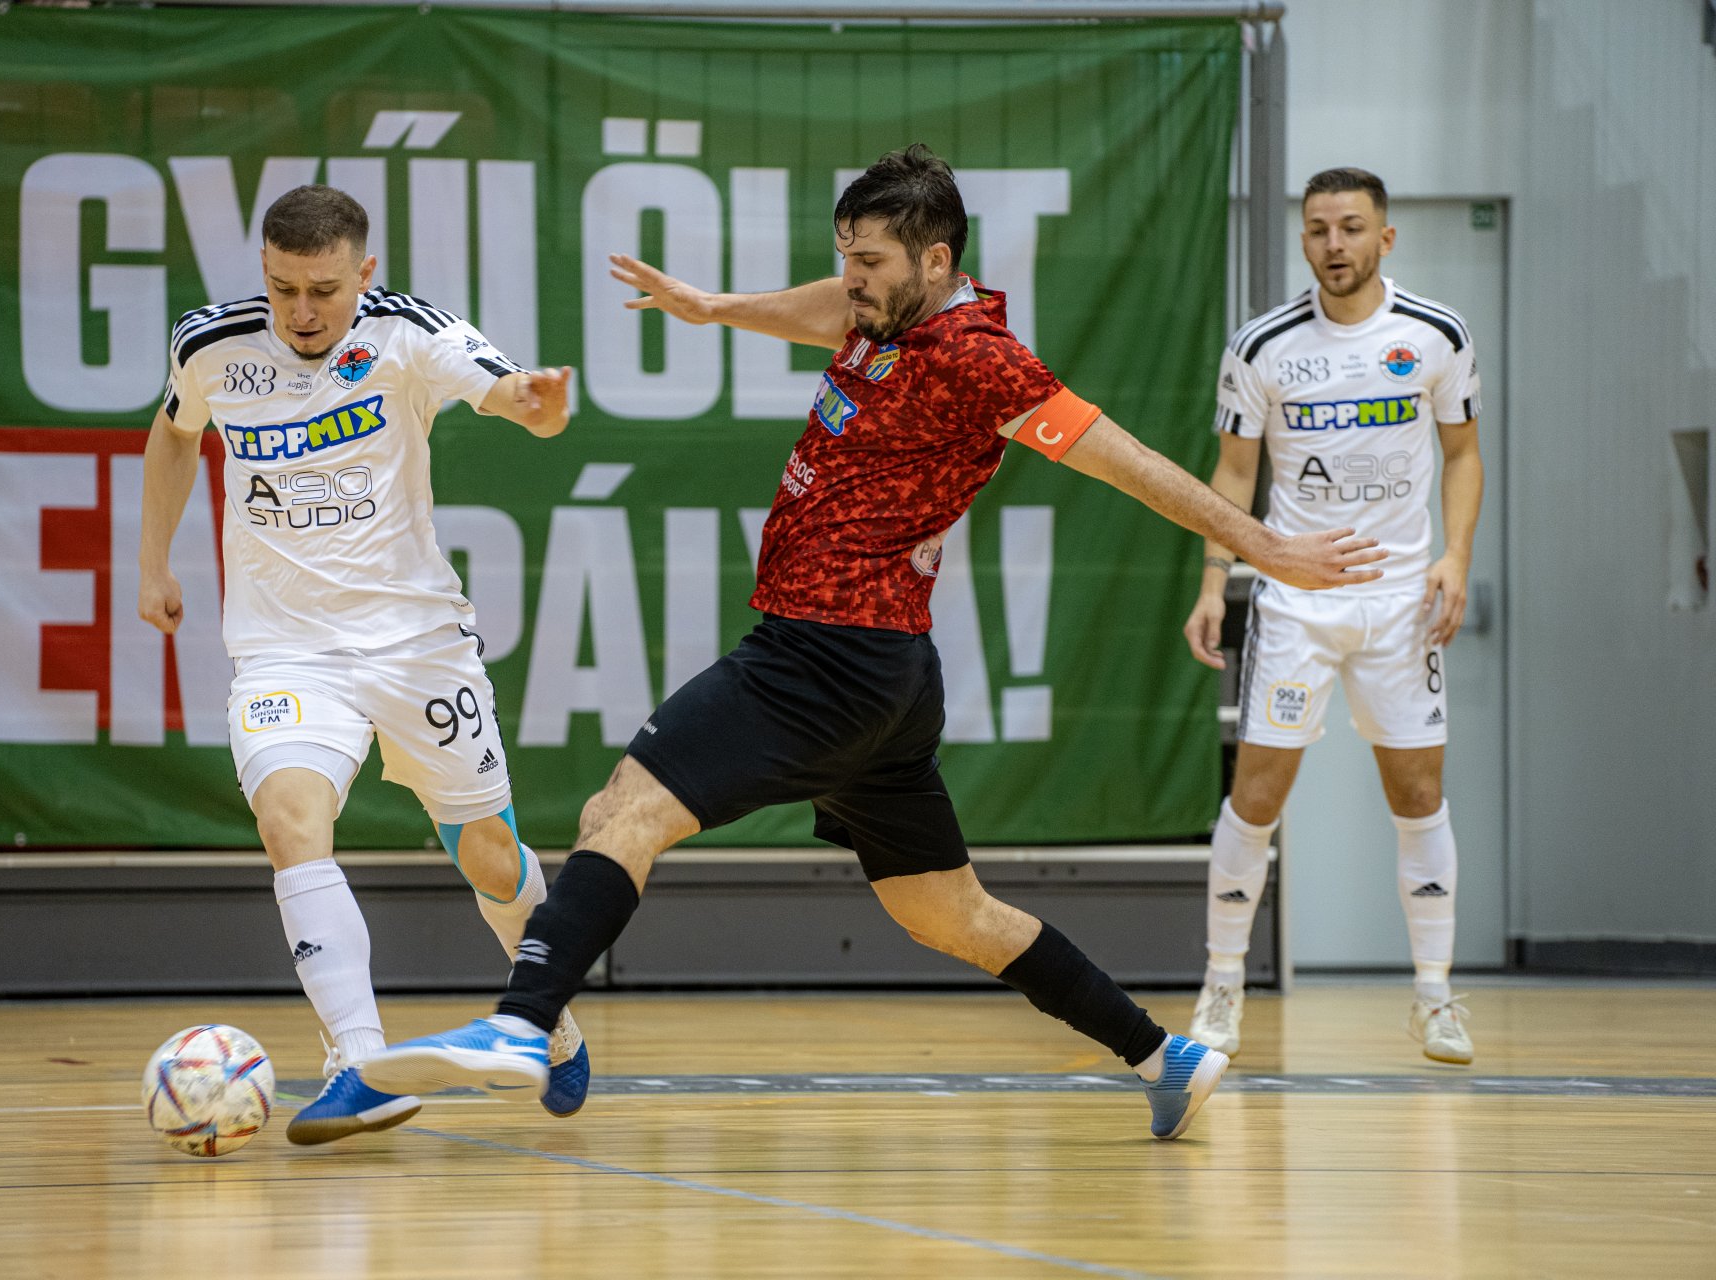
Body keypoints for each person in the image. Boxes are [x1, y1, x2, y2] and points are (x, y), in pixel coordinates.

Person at [363, 145, 1385, 1140]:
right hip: (885, 672)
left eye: (869, 262)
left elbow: (1129, 463)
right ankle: (1166, 1057)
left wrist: (1266, 549)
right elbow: (825, 308)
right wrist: (713, 309)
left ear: (935, 260)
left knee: (620, 811)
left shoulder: (984, 362)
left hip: (824, 657)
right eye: (845, 256)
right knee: (952, 914)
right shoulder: (884, 312)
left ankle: (523, 1022)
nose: (850, 280)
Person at [137, 184, 588, 1142]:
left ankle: (549, 1019)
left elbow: (508, 393)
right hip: (284, 650)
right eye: (283, 289)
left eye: (324, 290)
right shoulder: (210, 346)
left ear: (364, 273)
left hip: (417, 644)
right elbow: (175, 433)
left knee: (489, 854)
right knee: (289, 822)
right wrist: (152, 564)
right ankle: (357, 1060)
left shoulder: (406, 334)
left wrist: (539, 408)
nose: (302, 312)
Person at [1182, 167, 1484, 1064]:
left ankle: (1434, 998)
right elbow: (1234, 475)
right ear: (1304, 239)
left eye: (1351, 227)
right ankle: (1222, 985)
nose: (1334, 244)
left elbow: (1463, 454)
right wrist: (1214, 579)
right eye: (1317, 229)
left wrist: (1456, 557)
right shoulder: (1263, 346)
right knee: (1257, 795)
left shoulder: (1436, 335)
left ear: (1385, 238)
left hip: (1401, 603)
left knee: (1418, 794)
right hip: (1297, 604)